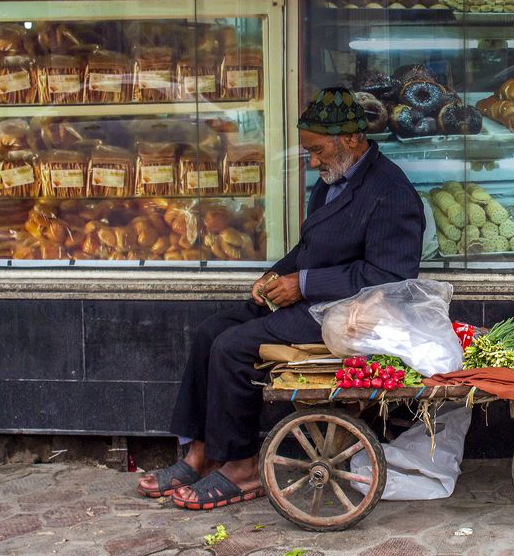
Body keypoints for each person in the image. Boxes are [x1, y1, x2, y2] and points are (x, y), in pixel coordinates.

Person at [136, 87, 425, 509]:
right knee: (209, 332)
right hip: (315, 302)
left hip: (351, 316)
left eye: (317, 150)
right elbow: (313, 245)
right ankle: (200, 454)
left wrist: (303, 284)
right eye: (308, 152)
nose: (313, 161)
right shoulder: (333, 179)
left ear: (349, 139)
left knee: (232, 348)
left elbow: (391, 277)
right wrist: (279, 273)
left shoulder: (391, 192)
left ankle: (242, 467)